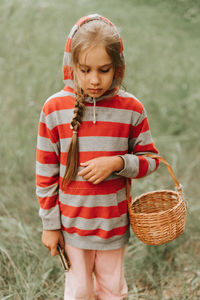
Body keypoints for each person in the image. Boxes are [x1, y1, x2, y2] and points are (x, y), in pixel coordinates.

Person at [36, 14, 159, 300]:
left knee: (113, 291)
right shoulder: (54, 109)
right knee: (79, 292)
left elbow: (151, 159)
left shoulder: (131, 109)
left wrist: (118, 163)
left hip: (112, 225)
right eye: (85, 69)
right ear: (72, 67)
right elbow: (45, 174)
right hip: (71, 226)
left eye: (104, 70)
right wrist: (50, 225)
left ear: (118, 67)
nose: (94, 80)